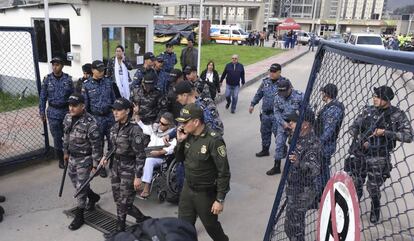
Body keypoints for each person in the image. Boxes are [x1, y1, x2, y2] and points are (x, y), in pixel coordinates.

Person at [345, 86, 413, 223]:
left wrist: (386, 133)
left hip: (379, 156)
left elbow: (409, 136)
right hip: (361, 154)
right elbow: (353, 127)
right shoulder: (368, 110)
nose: (374, 99)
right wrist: (360, 137)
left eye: (378, 97)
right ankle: (353, 209)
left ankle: (375, 208)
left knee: (373, 188)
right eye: (374, 96)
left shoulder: (397, 115)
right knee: (356, 183)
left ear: (387, 99)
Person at [175, 103, 231, 241]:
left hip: (205, 193)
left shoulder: (214, 140)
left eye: (185, 122)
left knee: (211, 227)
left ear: (196, 121)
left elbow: (224, 172)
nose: (182, 126)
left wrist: (220, 199)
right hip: (188, 189)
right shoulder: (187, 135)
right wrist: (180, 141)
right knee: (183, 227)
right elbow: (179, 159)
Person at [102, 98, 150, 237]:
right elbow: (112, 147)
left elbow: (140, 155)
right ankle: (141, 218)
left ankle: (120, 230)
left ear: (127, 111)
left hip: (129, 168)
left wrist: (138, 176)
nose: (115, 112)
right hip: (116, 166)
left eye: (118, 110)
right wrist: (106, 157)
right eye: (114, 110)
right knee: (119, 200)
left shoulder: (134, 130)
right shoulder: (114, 127)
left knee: (123, 202)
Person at [63, 93, 102, 230]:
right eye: (70, 105)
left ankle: (80, 216)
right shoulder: (68, 117)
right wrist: (65, 152)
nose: (71, 108)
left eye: (74, 106)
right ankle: (93, 197)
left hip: (85, 159)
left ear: (83, 106)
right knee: (77, 183)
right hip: (72, 157)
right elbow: (66, 135)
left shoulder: (91, 123)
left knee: (80, 188)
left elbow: (96, 145)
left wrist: (96, 165)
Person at [283, 108, 322, 241]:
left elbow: (314, 170)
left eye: (293, 122)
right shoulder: (297, 136)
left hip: (302, 190)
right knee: (291, 227)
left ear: (305, 124)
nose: (290, 124)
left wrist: (299, 163)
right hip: (293, 187)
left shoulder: (313, 143)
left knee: (294, 227)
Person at [82, 60, 117, 178]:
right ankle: (101, 166)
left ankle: (112, 163)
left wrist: (115, 114)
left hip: (109, 117)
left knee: (113, 142)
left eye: (103, 70)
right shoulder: (86, 85)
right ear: (92, 71)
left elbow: (113, 100)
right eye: (99, 70)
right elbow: (85, 107)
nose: (102, 72)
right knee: (98, 145)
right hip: (96, 118)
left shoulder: (108, 82)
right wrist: (88, 122)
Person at [39, 56, 74, 169]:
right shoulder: (47, 79)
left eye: (57, 64)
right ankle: (60, 159)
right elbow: (43, 97)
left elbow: (73, 97)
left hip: (66, 112)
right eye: (53, 64)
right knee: (57, 137)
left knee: (68, 135)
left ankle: (68, 155)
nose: (55, 67)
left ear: (62, 66)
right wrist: (42, 111)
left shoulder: (68, 79)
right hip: (53, 112)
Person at [134, 112, 177, 199]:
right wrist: (137, 114)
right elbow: (144, 127)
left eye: (163, 124)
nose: (160, 125)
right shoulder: (156, 128)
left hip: (162, 157)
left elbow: (173, 148)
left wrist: (160, 152)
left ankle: (146, 187)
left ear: (169, 125)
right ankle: (135, 183)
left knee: (149, 161)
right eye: (160, 122)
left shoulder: (172, 134)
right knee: (136, 158)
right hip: (149, 153)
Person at [268, 79, 303, 175]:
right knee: (279, 144)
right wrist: (283, 123)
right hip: (283, 124)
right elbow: (276, 111)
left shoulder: (299, 96)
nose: (282, 94)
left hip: (296, 125)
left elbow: (307, 110)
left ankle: (295, 167)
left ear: (289, 88)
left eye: (284, 91)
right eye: (281, 92)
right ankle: (276, 166)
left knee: (296, 146)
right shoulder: (278, 96)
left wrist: (298, 123)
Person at [249, 63, 286, 157]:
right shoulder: (265, 82)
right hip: (265, 114)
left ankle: (283, 149)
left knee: (278, 134)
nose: (271, 74)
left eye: (274, 72)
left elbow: (290, 97)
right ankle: (265, 150)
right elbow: (259, 94)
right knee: (264, 132)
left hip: (277, 115)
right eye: (270, 71)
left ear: (279, 72)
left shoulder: (284, 83)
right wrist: (252, 104)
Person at [314, 84, 345, 190]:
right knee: (322, 168)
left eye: (323, 93)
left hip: (325, 145)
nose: (321, 95)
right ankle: (325, 189)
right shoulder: (330, 106)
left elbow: (328, 131)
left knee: (319, 169)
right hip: (323, 143)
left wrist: (318, 142)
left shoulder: (333, 109)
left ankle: (321, 191)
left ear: (326, 95)